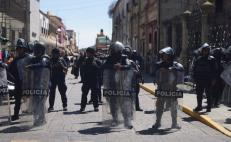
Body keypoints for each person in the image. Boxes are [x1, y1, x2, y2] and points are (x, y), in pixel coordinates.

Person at [102, 41, 135, 129]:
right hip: (112, 84)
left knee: (125, 103)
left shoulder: (124, 57)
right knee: (113, 103)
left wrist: (121, 67)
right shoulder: (109, 58)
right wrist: (113, 66)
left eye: (116, 50)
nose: (114, 52)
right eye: (113, 50)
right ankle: (115, 119)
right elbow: (104, 66)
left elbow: (129, 66)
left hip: (123, 84)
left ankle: (127, 121)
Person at [152, 47, 184, 129]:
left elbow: (181, 70)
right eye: (164, 55)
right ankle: (157, 122)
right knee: (159, 106)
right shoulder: (160, 64)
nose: (164, 57)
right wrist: (161, 70)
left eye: (166, 55)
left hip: (173, 89)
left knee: (173, 107)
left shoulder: (176, 65)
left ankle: (174, 123)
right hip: (162, 89)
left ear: (171, 56)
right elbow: (154, 71)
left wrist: (173, 69)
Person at [24, 42, 50, 126]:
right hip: (35, 84)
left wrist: (31, 66)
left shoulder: (45, 58)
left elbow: (42, 64)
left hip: (43, 85)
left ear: (40, 50)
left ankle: (42, 119)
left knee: (41, 103)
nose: (34, 51)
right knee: (34, 102)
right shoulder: (35, 58)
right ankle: (36, 119)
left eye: (36, 50)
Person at [8, 38, 31, 121]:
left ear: (24, 48)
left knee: (29, 99)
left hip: (28, 83)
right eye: (17, 48)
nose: (18, 50)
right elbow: (10, 71)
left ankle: (31, 112)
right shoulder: (15, 60)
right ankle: (16, 114)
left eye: (20, 48)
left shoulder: (30, 58)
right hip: (18, 83)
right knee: (17, 99)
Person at [192, 43, 218, 112]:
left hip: (208, 79)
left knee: (208, 94)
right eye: (204, 50)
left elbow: (215, 70)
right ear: (202, 50)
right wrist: (194, 78)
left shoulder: (212, 59)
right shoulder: (199, 59)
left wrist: (214, 79)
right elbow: (195, 69)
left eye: (207, 50)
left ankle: (209, 107)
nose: (205, 51)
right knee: (199, 94)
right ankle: (199, 106)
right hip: (199, 79)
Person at [80, 47, 101, 112]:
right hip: (86, 80)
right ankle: (82, 107)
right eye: (87, 53)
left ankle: (96, 107)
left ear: (92, 53)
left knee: (94, 94)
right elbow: (82, 70)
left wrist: (95, 65)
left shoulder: (97, 60)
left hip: (94, 80)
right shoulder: (85, 60)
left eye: (88, 53)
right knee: (84, 94)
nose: (87, 54)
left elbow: (100, 70)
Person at [123, 45, 143, 111]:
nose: (127, 55)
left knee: (136, 93)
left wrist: (140, 77)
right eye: (125, 53)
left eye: (128, 53)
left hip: (133, 81)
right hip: (125, 81)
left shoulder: (132, 62)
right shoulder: (121, 61)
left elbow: (138, 71)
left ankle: (137, 107)